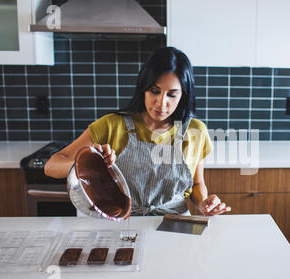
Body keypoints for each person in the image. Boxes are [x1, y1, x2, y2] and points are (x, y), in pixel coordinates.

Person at [44, 46, 231, 218]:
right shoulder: (111, 125)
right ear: (143, 88)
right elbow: (51, 166)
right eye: (154, 91)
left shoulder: (195, 131)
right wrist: (88, 165)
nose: (161, 102)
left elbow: (197, 185)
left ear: (183, 95)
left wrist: (203, 204)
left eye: (172, 95)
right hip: (119, 222)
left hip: (174, 224)